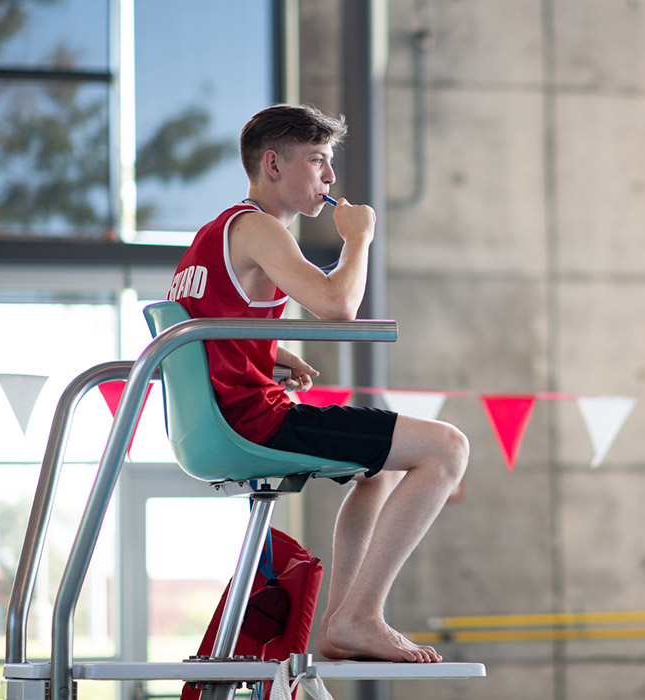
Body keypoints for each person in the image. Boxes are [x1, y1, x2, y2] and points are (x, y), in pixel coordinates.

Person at [167, 104, 468, 663]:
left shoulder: (215, 234)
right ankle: (358, 616)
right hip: (253, 420)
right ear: (274, 165)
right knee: (447, 448)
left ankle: (342, 622)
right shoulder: (256, 226)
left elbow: (205, 325)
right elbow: (338, 305)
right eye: (318, 161)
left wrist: (271, 352)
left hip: (221, 420)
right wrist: (359, 240)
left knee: (374, 473)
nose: (330, 178)